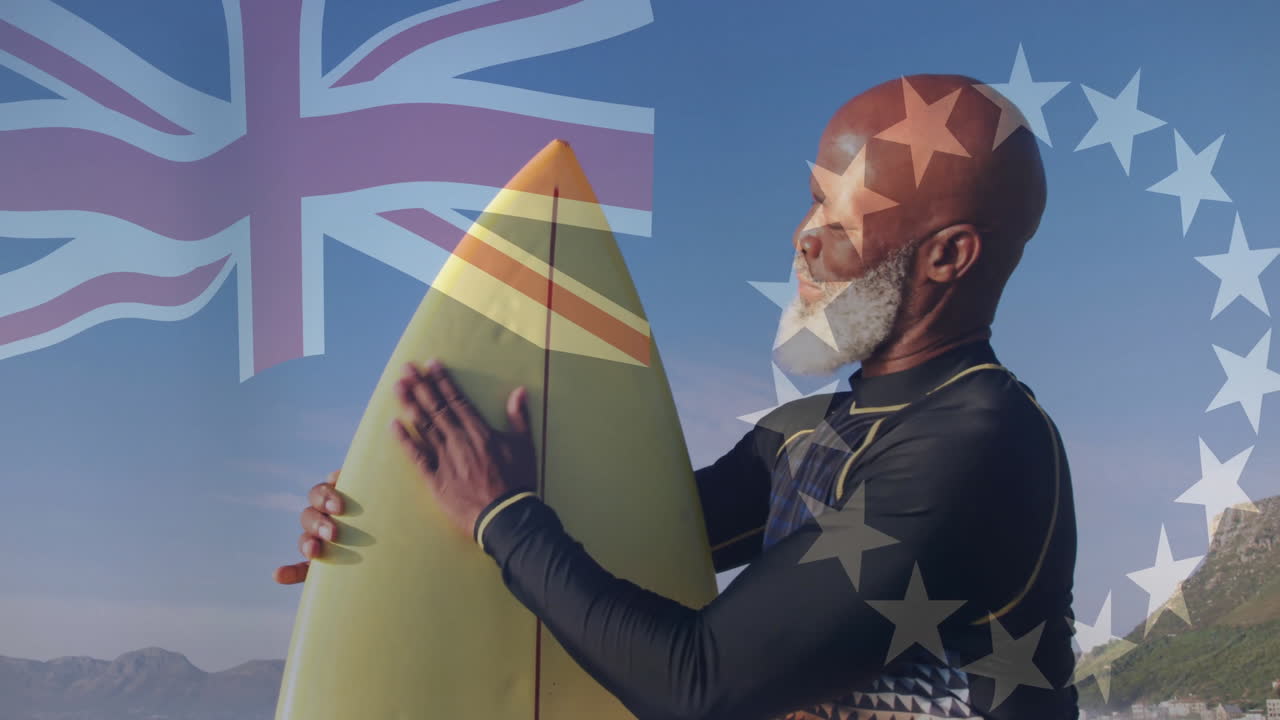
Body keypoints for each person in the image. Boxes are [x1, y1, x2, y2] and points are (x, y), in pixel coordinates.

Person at [274, 73, 1079, 720]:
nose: (804, 235)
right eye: (811, 198)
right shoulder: (804, 435)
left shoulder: (982, 443)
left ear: (948, 256)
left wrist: (500, 514)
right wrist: (394, 525)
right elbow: (615, 550)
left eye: (842, 215)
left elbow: (698, 685)